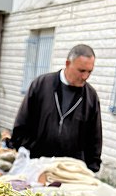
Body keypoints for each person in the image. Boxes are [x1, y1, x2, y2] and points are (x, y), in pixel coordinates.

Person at [10, 44, 102, 173]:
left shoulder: (90, 96)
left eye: (89, 72)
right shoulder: (41, 84)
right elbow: (24, 118)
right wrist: (20, 146)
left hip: (68, 168)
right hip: (36, 161)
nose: (85, 76)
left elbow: (94, 135)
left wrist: (92, 166)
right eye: (81, 71)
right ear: (67, 63)